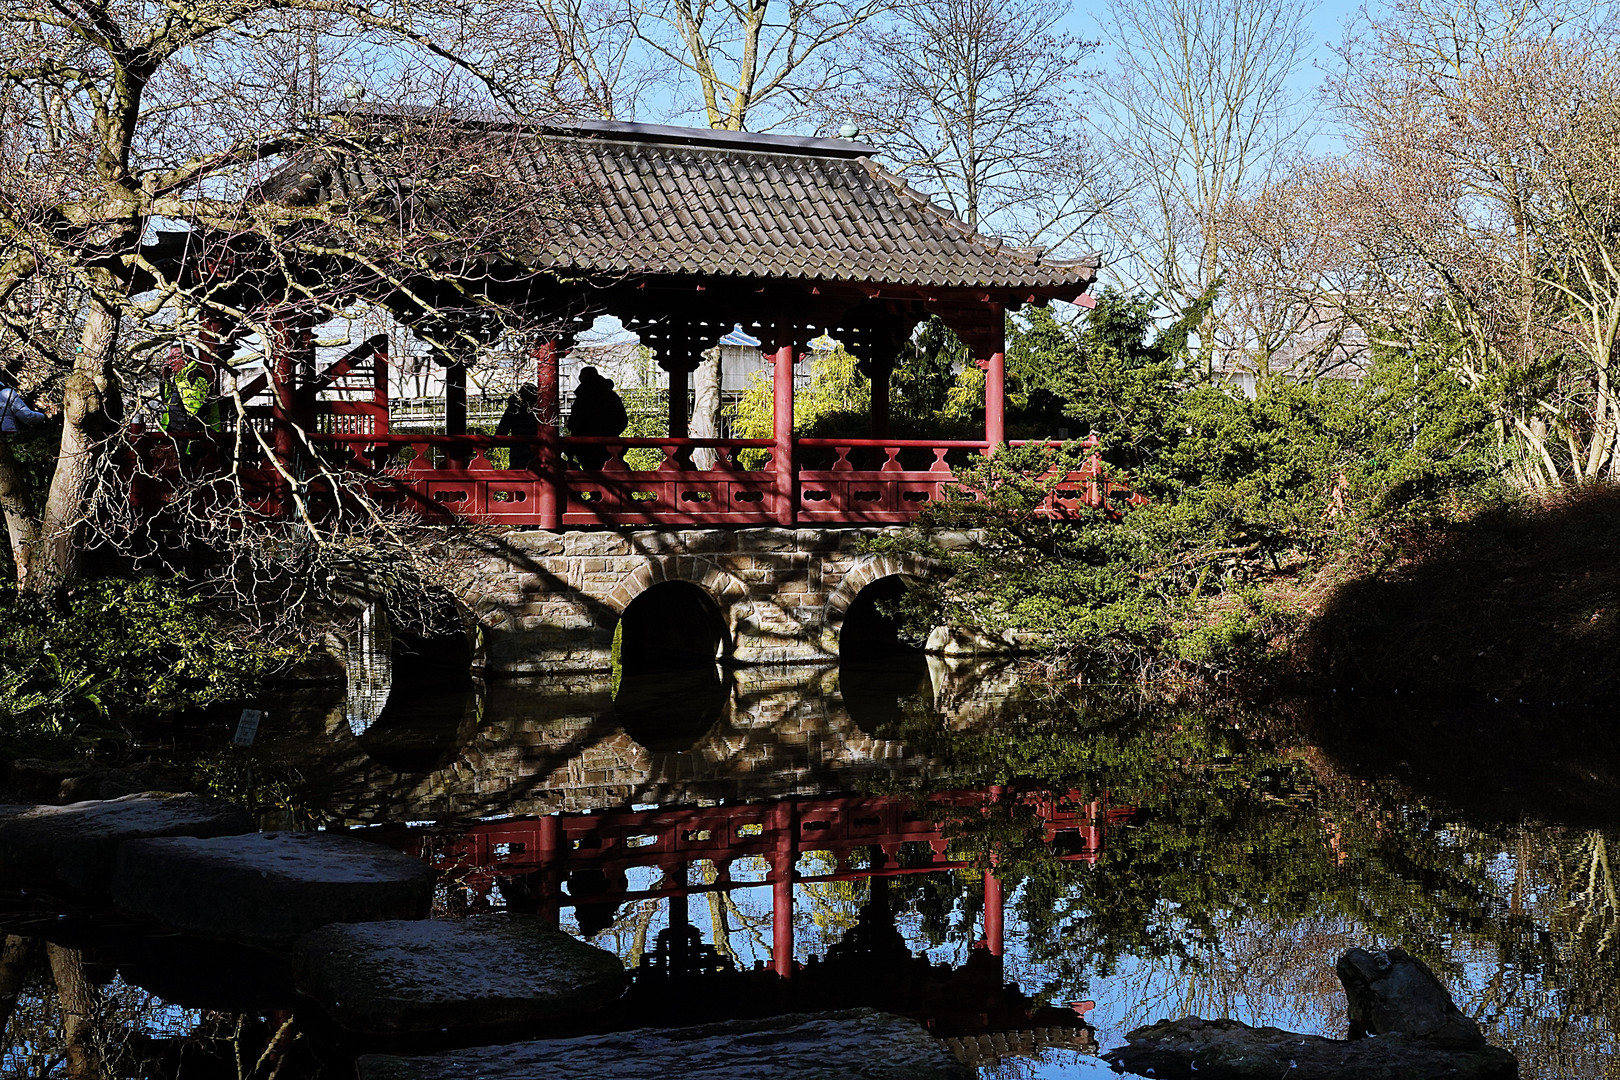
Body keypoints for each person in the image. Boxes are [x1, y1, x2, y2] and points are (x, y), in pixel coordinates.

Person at [567, 366, 628, 470]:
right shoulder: (611, 396)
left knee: (591, 475)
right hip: (610, 445)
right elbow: (622, 420)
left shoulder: (583, 398)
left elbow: (574, 423)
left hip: (586, 447)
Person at [495, 384, 541, 469]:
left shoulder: (513, 409)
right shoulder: (540, 411)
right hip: (538, 455)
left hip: (517, 454)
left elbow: (501, 432)